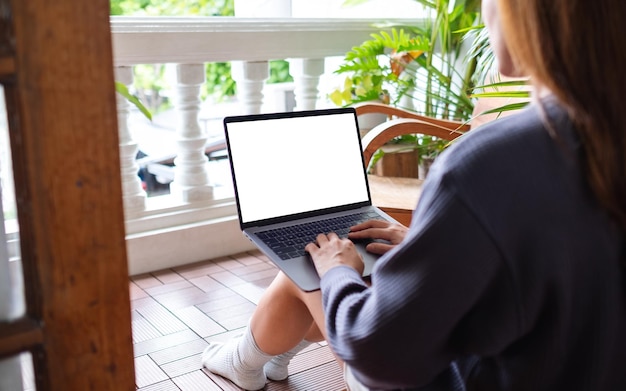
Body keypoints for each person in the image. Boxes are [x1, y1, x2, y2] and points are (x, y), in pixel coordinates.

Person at [202, 0, 626, 389]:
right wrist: (442, 245)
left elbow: (377, 354)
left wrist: (337, 272)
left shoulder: (487, 166)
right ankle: (265, 357)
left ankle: (245, 361)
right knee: (335, 260)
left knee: (314, 265)